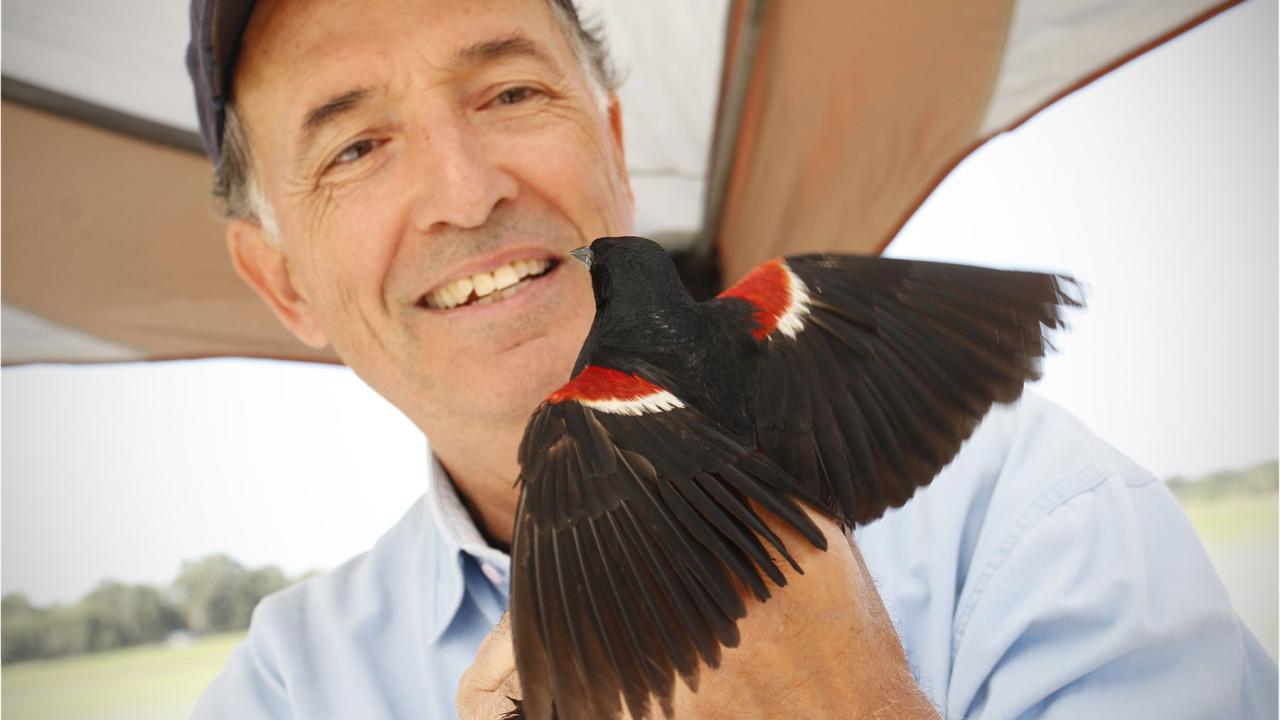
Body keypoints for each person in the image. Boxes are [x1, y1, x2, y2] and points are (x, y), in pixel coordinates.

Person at [186, 0, 1276, 717]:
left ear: (612, 148)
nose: (467, 192)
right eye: (356, 146)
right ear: (280, 283)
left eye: (510, 92)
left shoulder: (1031, 523)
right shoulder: (289, 687)